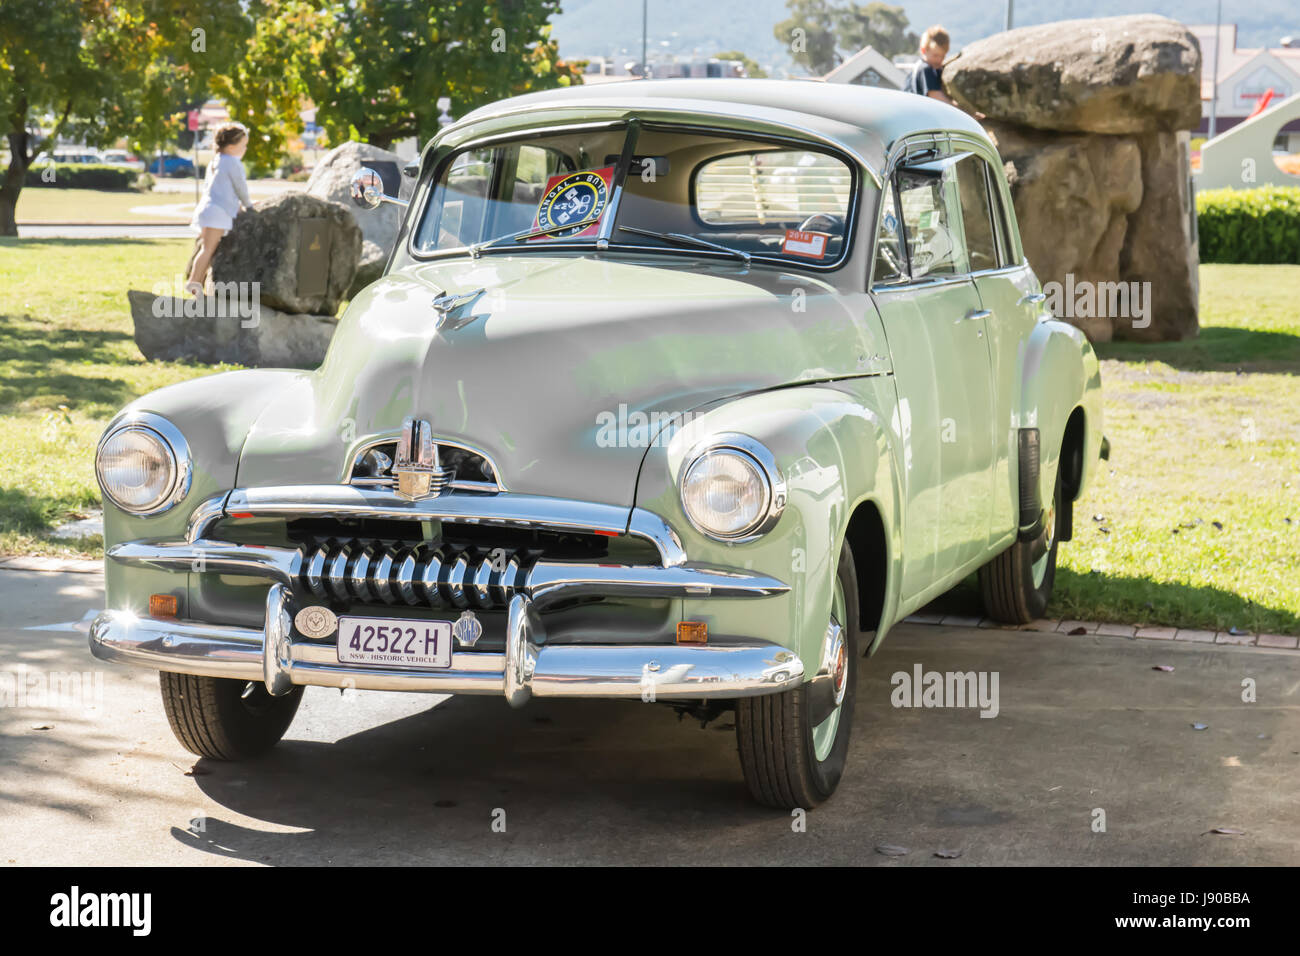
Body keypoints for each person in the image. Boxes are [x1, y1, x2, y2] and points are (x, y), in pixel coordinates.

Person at [186, 122, 253, 295]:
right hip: (217, 213)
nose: (245, 149)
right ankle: (194, 283)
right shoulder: (233, 163)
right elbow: (240, 188)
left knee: (206, 249)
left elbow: (220, 190)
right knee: (208, 250)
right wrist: (248, 206)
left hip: (208, 209)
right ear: (232, 146)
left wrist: (236, 207)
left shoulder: (216, 161)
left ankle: (196, 283)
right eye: (243, 145)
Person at [906, 25, 954, 105]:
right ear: (923, 50)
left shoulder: (936, 69)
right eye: (935, 55)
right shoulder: (925, 69)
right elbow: (938, 98)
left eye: (943, 56)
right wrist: (966, 112)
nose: (940, 60)